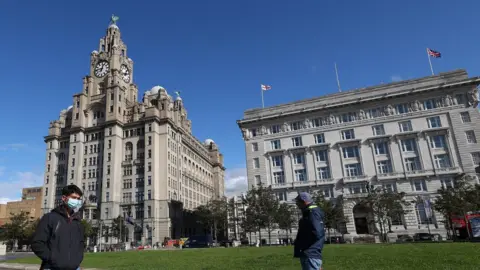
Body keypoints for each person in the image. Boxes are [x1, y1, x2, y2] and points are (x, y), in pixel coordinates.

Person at [32, 184, 85, 270]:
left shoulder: (77, 222)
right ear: (64, 198)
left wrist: (78, 260)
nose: (77, 201)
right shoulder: (50, 218)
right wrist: (52, 259)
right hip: (52, 267)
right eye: (74, 198)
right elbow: (37, 243)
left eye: (78, 199)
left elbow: (81, 244)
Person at [293, 192, 325, 270]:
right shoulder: (310, 212)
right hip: (310, 253)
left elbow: (317, 232)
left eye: (298, 202)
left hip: (310, 252)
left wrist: (303, 244)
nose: (297, 204)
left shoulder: (312, 212)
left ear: (304, 201)